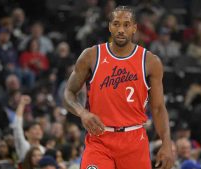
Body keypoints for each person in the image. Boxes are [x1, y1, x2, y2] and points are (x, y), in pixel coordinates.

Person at [64, 6, 173, 169]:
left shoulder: (150, 61)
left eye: (126, 24)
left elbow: (158, 108)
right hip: (99, 138)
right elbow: (69, 93)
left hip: (134, 140)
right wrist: (82, 113)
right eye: (116, 24)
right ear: (110, 27)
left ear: (134, 28)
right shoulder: (91, 56)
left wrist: (166, 143)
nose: (121, 29)